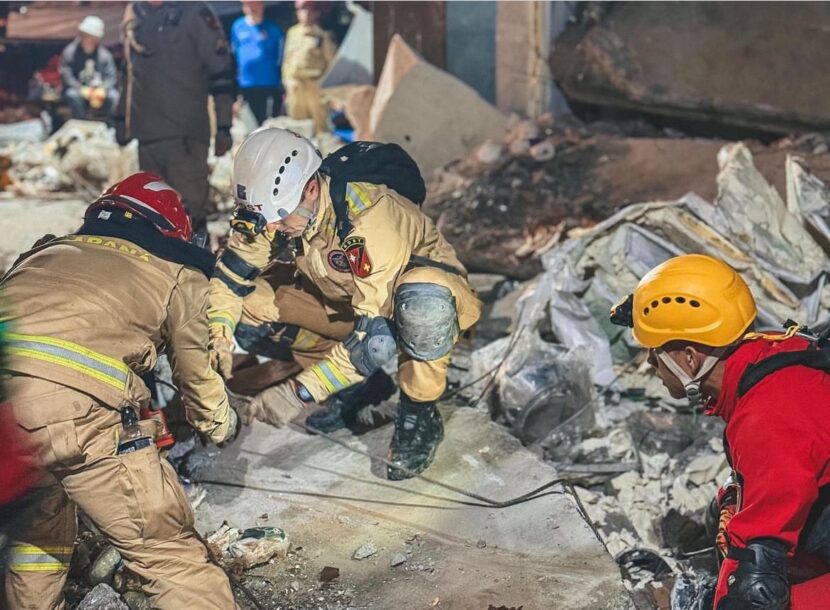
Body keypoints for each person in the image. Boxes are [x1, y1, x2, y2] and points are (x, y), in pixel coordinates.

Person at [1, 172, 239, 609]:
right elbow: (196, 376)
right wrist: (221, 423)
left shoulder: (45, 251)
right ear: (170, 230)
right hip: (73, 414)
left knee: (39, 532)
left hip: (5, 422)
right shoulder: (179, 271)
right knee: (168, 556)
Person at [208, 128, 481, 480]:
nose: (273, 227)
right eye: (268, 218)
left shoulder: (369, 218)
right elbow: (230, 279)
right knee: (247, 305)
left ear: (310, 189)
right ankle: (357, 389)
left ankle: (420, 410)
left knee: (423, 302)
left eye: (280, 216)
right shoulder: (274, 215)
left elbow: (376, 341)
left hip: (407, 308)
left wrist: (298, 393)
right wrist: (218, 336)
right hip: (350, 303)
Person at [610, 254, 830, 610]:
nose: (649, 363)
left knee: (753, 593)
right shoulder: (779, 356)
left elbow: (756, 589)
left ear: (689, 358)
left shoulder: (767, 414)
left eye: (655, 351)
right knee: (732, 507)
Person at [117, 1, 235, 246]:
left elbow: (222, 71)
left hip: (185, 137)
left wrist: (224, 126)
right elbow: (128, 73)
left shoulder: (195, 13)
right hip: (147, 137)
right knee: (151, 216)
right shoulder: (135, 15)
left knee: (191, 213)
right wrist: (120, 119)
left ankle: (199, 272)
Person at [282, 0, 335, 133]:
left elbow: (331, 64)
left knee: (320, 128)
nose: (305, 14)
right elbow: (287, 60)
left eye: (309, 10)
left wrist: (328, 91)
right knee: (297, 129)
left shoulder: (323, 35)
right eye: (301, 10)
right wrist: (287, 83)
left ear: (316, 13)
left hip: (315, 86)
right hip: (296, 86)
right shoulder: (292, 33)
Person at [231, 0, 284, 125]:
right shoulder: (238, 26)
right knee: (249, 123)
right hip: (246, 85)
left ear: (261, 5)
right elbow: (234, 53)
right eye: (248, 4)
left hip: (268, 84)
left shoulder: (273, 29)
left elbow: (280, 57)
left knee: (268, 123)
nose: (251, 8)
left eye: (254, 4)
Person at [59, 16, 118, 120]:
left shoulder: (105, 55)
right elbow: (66, 75)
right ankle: (81, 124)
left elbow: (111, 76)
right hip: (79, 90)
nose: (90, 40)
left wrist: (103, 89)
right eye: (87, 36)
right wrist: (80, 89)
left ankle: (110, 125)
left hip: (99, 91)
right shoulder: (69, 53)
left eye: (93, 37)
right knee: (72, 95)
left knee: (114, 96)